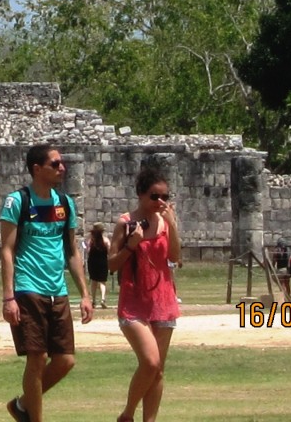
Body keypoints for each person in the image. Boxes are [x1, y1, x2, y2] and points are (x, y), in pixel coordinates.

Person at [0, 143, 93, 422]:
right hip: (28, 288)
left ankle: (22, 406)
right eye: (55, 164)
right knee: (37, 359)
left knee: (65, 360)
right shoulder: (17, 202)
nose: (61, 167)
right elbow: (6, 250)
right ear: (37, 169)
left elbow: (72, 252)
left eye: (61, 163)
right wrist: (8, 298)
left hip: (58, 290)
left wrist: (85, 294)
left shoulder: (65, 204)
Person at [108, 165, 181, 422]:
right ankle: (127, 414)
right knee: (150, 362)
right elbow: (112, 265)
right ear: (140, 194)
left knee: (158, 370)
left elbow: (175, 257)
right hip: (134, 303)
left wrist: (172, 225)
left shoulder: (166, 222)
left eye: (165, 197)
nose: (160, 202)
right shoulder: (126, 223)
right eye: (154, 196)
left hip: (163, 300)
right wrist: (131, 245)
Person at [86, 222, 112, 308]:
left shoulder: (91, 241)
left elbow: (88, 251)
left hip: (92, 262)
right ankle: (103, 299)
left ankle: (93, 300)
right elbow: (109, 252)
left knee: (94, 281)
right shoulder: (106, 240)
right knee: (102, 281)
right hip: (102, 262)